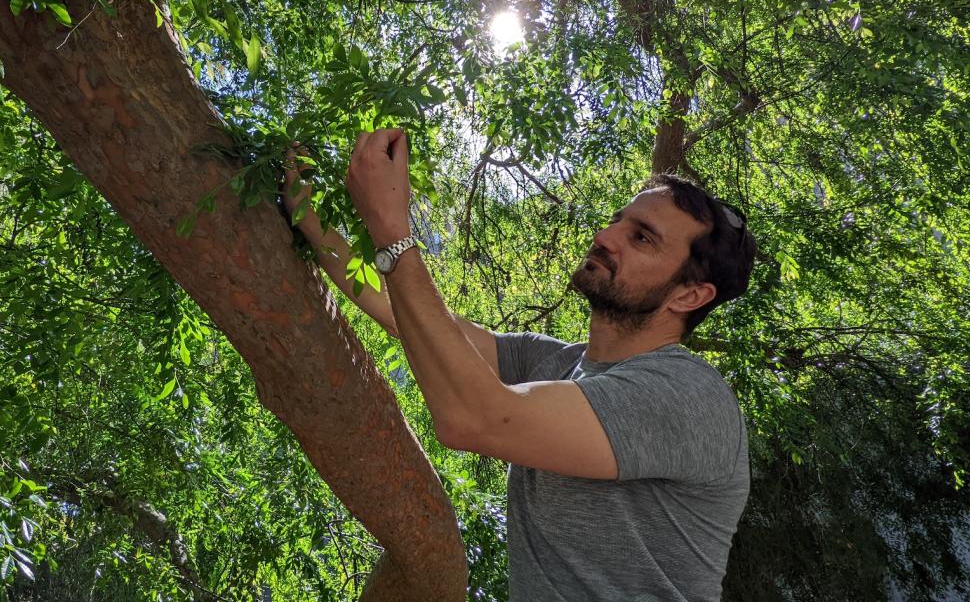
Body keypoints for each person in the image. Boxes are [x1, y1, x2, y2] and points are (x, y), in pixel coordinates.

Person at [283, 130, 758, 601]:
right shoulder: (555, 363)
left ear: (689, 295)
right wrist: (307, 215)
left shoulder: (688, 394)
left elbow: (476, 418)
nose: (605, 236)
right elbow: (404, 314)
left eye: (641, 238)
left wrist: (393, 232)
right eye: (617, 220)